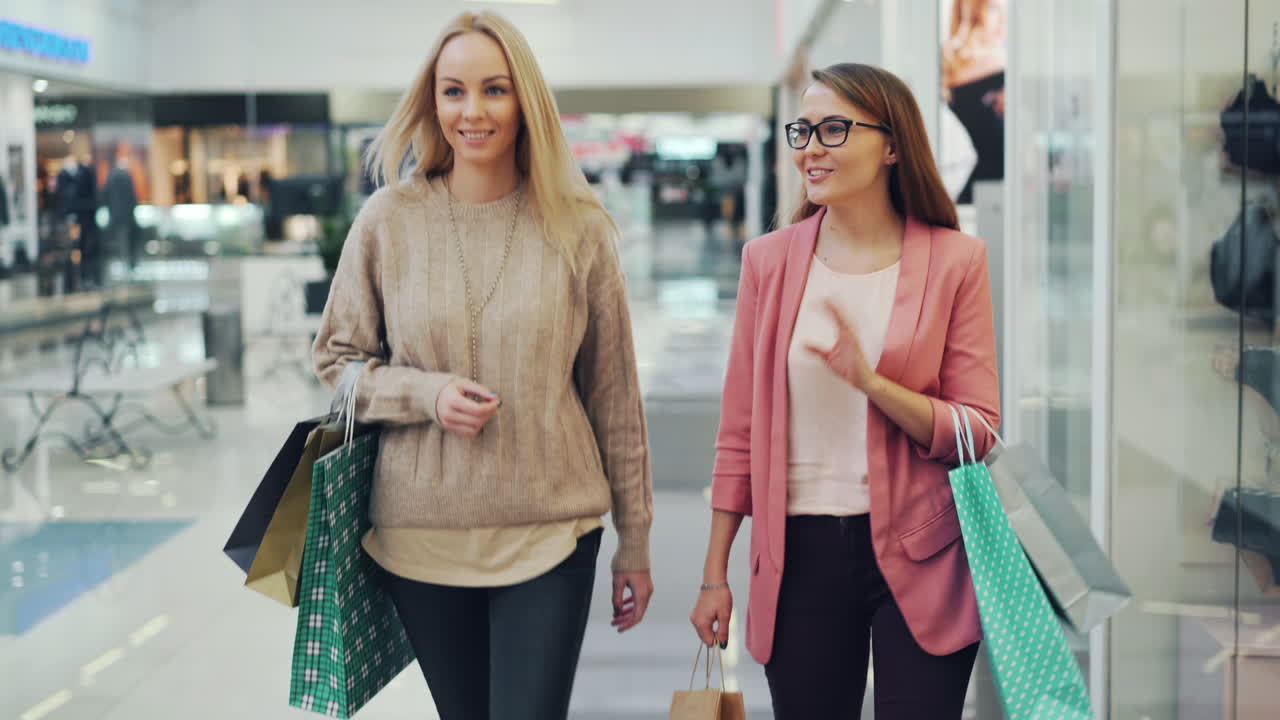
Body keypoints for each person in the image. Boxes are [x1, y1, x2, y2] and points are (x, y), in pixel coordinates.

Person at [311, 11, 654, 720]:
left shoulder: (578, 226)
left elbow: (615, 396)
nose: (473, 111)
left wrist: (636, 541)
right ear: (432, 102)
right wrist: (423, 394)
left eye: (494, 90)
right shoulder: (388, 220)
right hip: (418, 538)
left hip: (550, 532)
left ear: (525, 99)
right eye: (454, 91)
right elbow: (336, 362)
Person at [689, 63, 1001, 719]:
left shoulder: (955, 261)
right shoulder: (767, 263)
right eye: (803, 130)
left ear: (892, 146)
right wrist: (715, 574)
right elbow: (739, 433)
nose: (811, 147)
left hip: (923, 555)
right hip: (798, 558)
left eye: (834, 129)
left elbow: (979, 432)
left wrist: (872, 384)